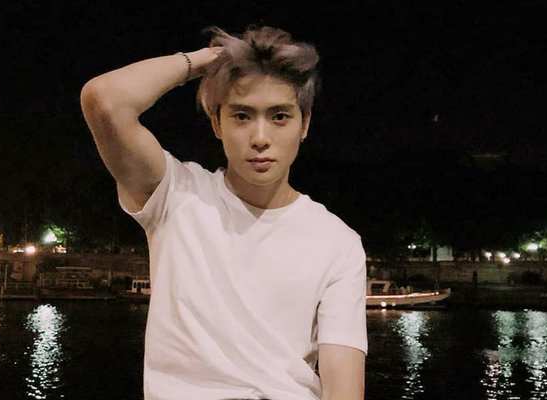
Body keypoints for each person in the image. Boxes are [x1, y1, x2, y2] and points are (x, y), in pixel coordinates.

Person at [81, 25, 367, 400]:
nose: (260, 138)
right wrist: (209, 61)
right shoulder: (175, 196)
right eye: (242, 116)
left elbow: (343, 387)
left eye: (280, 116)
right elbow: (105, 101)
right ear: (217, 123)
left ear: (305, 124)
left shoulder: (338, 242)